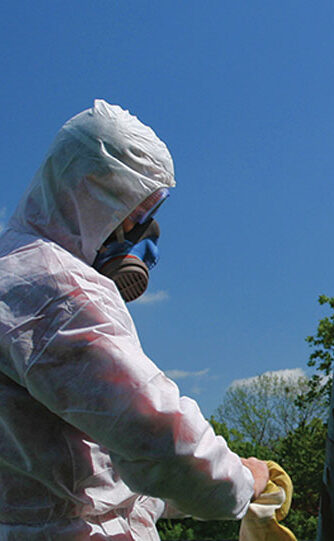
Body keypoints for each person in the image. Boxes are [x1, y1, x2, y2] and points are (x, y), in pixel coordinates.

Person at [0, 100, 269, 539]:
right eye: (138, 213)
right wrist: (243, 482)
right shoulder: (56, 289)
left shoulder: (14, 270)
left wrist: (186, 495)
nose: (143, 233)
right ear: (95, 195)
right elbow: (162, 440)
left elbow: (96, 473)